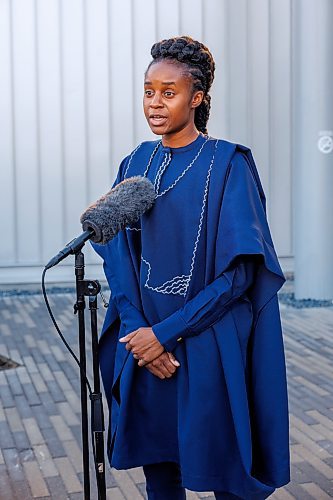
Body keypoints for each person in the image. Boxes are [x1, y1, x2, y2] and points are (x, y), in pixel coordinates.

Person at [90, 36, 290, 500]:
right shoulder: (136, 162)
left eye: (169, 92)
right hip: (145, 346)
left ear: (196, 97)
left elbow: (241, 274)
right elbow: (117, 254)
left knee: (228, 472)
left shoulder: (228, 164)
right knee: (161, 470)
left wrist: (166, 333)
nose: (155, 103)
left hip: (206, 344)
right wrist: (142, 335)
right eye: (148, 91)